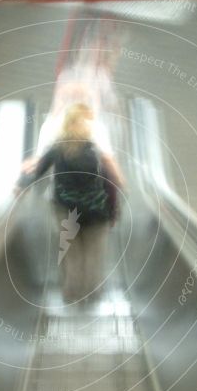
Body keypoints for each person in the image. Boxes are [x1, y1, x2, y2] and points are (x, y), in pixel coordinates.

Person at [16, 103, 124, 302]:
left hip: (65, 209)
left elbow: (37, 171)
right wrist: (114, 207)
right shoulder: (95, 150)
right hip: (96, 211)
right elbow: (110, 183)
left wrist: (21, 188)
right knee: (94, 254)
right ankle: (92, 296)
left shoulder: (57, 149)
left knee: (71, 253)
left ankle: (72, 295)